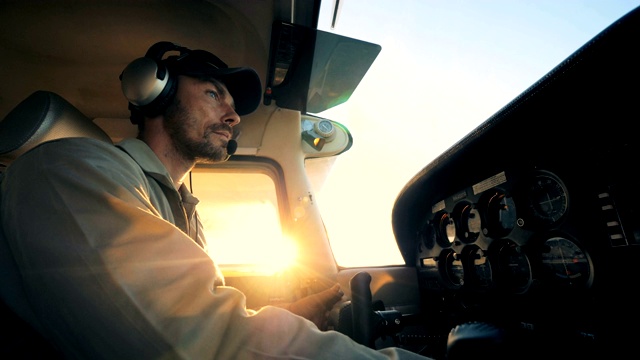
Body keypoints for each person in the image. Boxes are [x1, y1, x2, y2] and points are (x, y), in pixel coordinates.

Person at [0, 42, 432, 359]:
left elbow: (200, 312)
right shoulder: (72, 170)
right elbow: (192, 341)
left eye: (232, 105)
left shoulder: (179, 209)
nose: (232, 115)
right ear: (155, 92)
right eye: (213, 94)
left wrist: (291, 312)